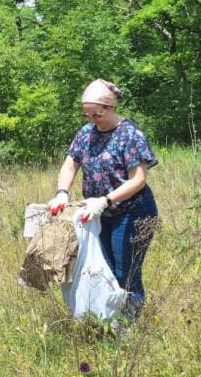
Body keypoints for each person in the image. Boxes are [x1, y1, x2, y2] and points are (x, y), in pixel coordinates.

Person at [47, 79, 159, 321]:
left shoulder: (130, 135)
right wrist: (61, 193)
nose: (91, 120)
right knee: (103, 271)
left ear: (110, 108)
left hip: (132, 212)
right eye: (86, 115)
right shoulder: (86, 134)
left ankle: (127, 328)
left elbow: (137, 179)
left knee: (125, 272)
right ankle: (107, 322)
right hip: (98, 214)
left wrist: (105, 201)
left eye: (96, 114)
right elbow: (70, 164)